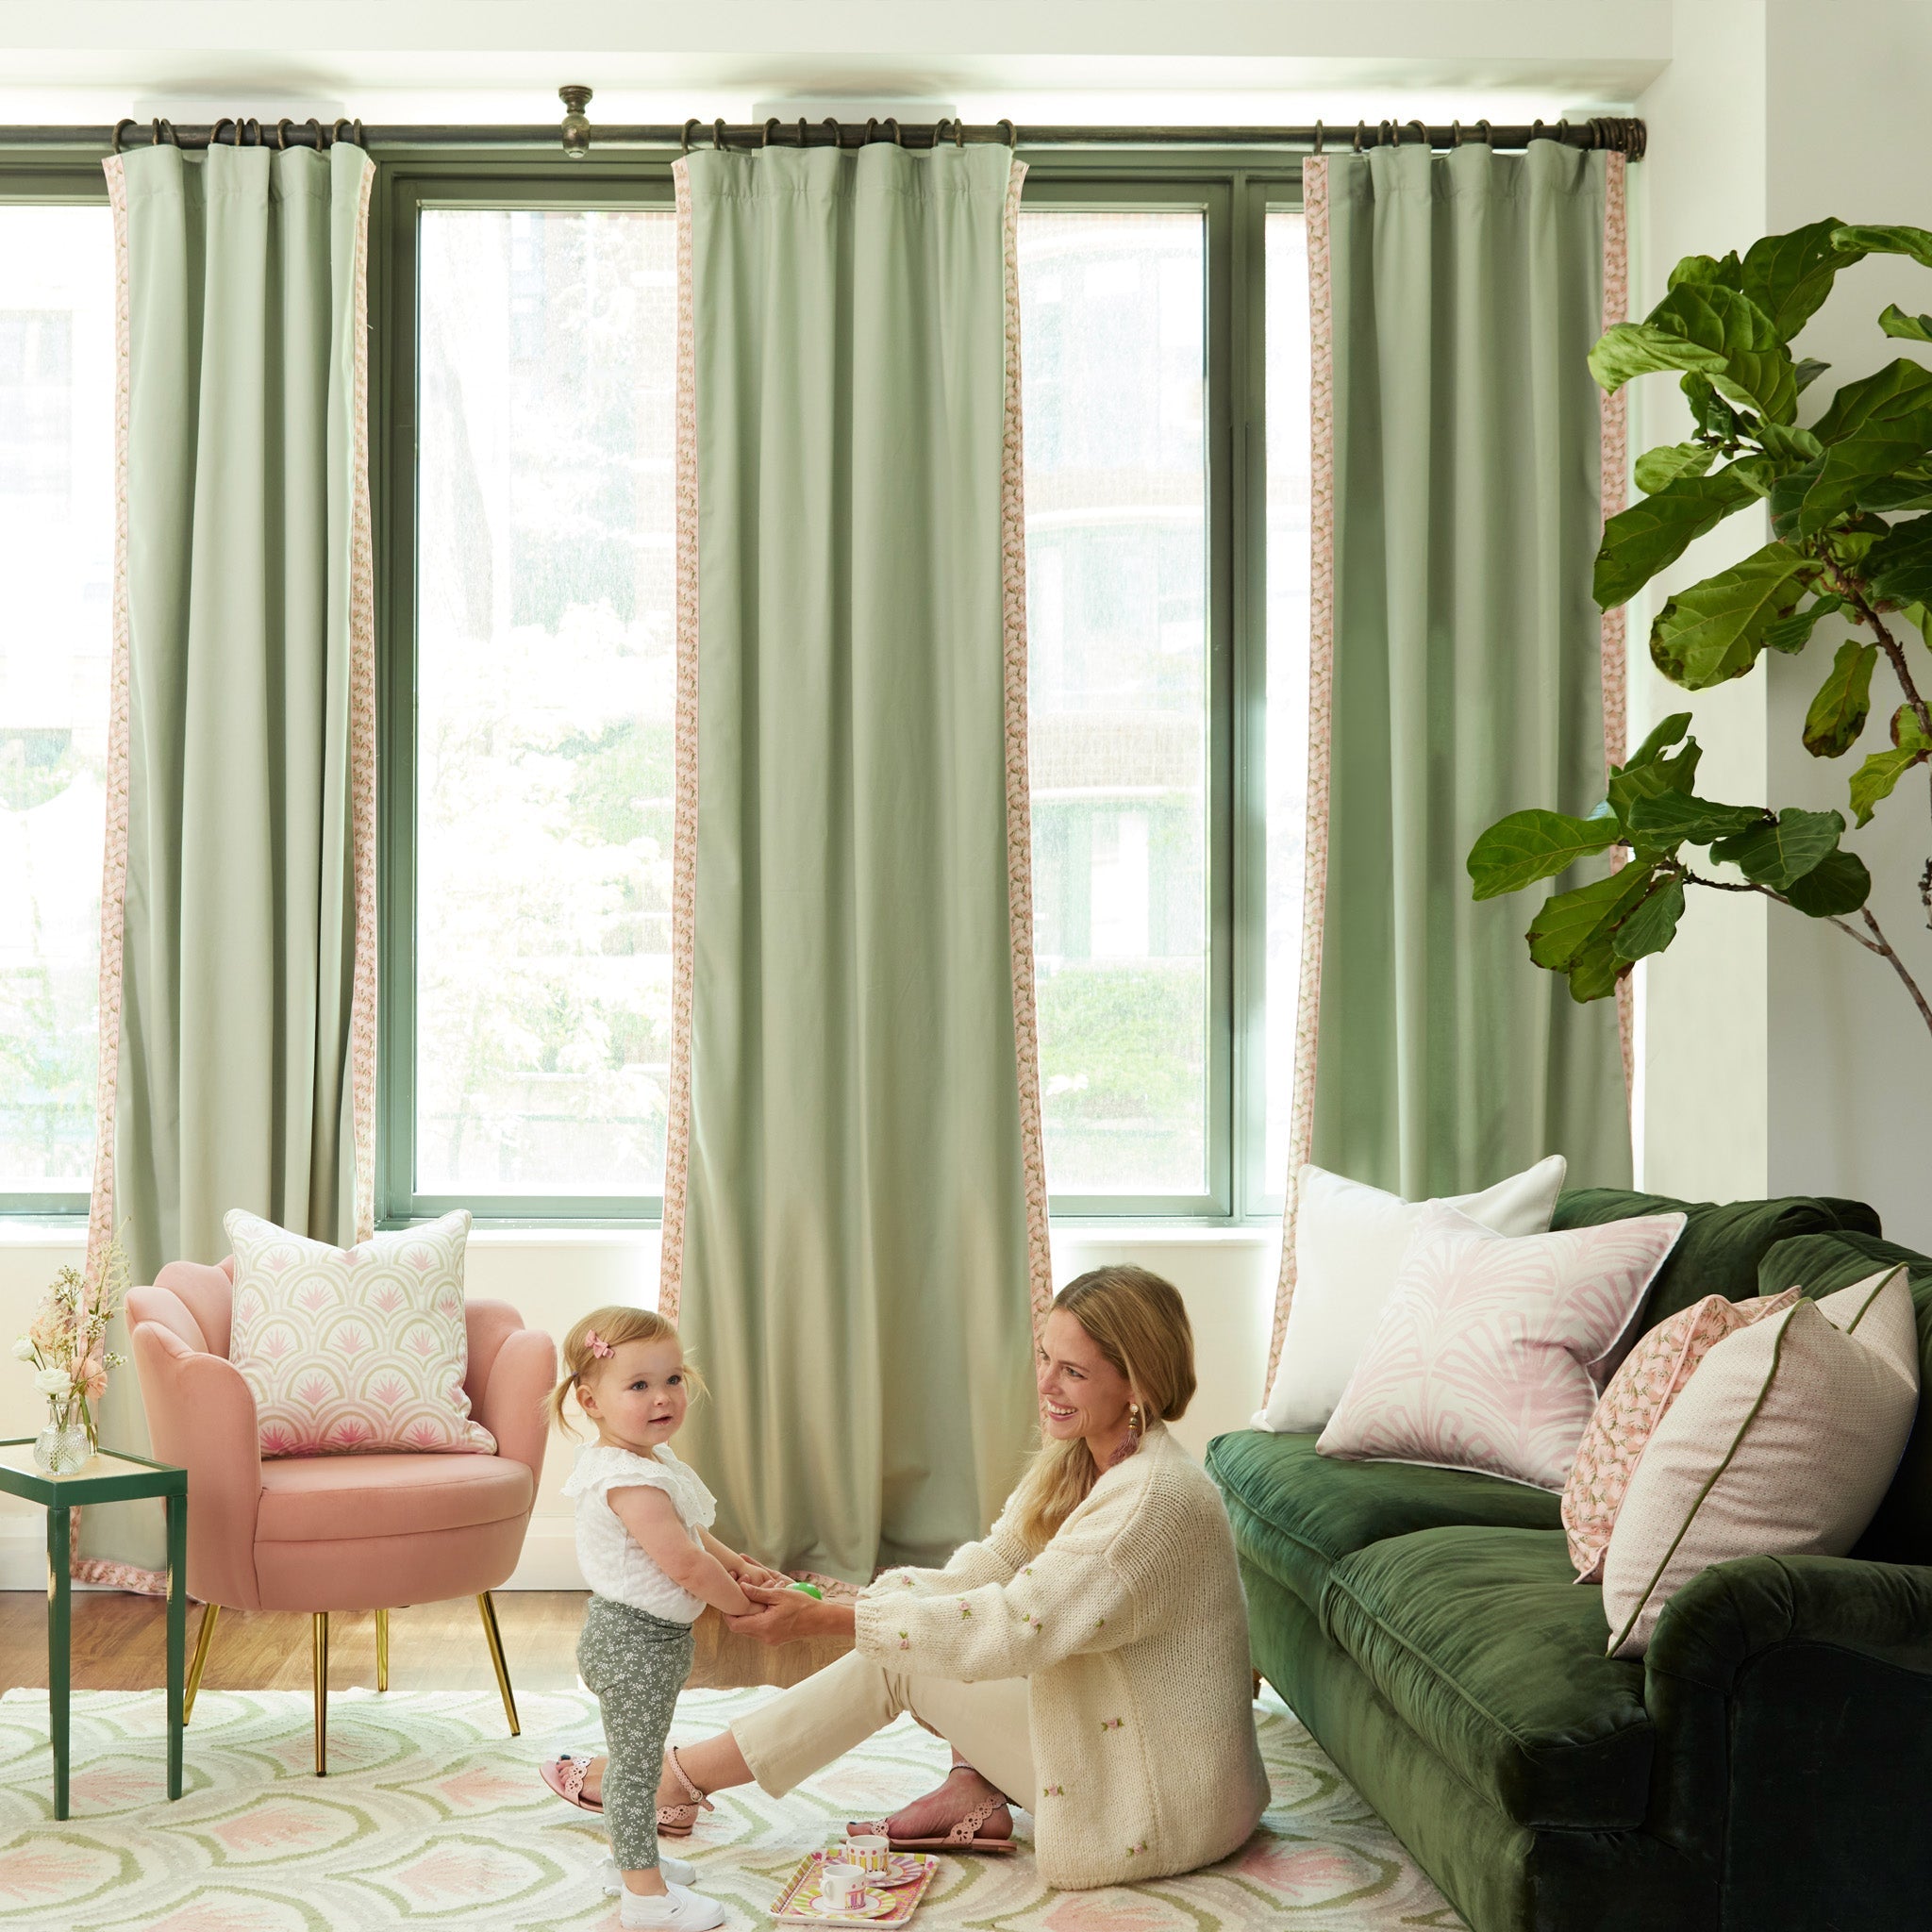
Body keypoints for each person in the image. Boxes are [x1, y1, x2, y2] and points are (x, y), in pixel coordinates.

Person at [544, 1266, 1269, 1892]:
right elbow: (990, 1569)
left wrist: (836, 1621)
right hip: (1126, 1747)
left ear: (1136, 1383)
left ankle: (674, 1780)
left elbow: (1016, 1626)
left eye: (1072, 1372)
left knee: (901, 1662)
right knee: (908, 1636)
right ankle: (968, 1789)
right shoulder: (1084, 1458)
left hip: (1157, 1806)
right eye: (1044, 1357)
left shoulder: (1153, 1501)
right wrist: (861, 1598)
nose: (1044, 1385)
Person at [539, 1307, 789, 1930]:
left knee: (635, 1760)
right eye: (639, 1386)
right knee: (634, 1770)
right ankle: (644, 1896)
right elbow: (684, 1563)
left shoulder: (647, 1461)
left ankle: (632, 1860)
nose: (662, 1398)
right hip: (634, 1647)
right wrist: (740, 1606)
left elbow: (695, 1534)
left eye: (672, 1379)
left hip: (642, 1639)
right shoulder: (629, 1480)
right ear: (592, 1401)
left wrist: (743, 1567)